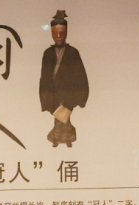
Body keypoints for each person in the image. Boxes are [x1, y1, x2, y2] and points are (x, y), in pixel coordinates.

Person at [38, 10, 88, 147]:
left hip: (68, 92)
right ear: (52, 33)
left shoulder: (73, 52)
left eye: (61, 32)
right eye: (55, 33)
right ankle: (57, 138)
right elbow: (44, 77)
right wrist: (45, 97)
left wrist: (80, 96)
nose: (58, 35)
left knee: (65, 118)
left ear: (66, 33)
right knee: (57, 119)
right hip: (53, 92)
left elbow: (80, 75)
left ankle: (67, 138)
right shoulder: (48, 53)